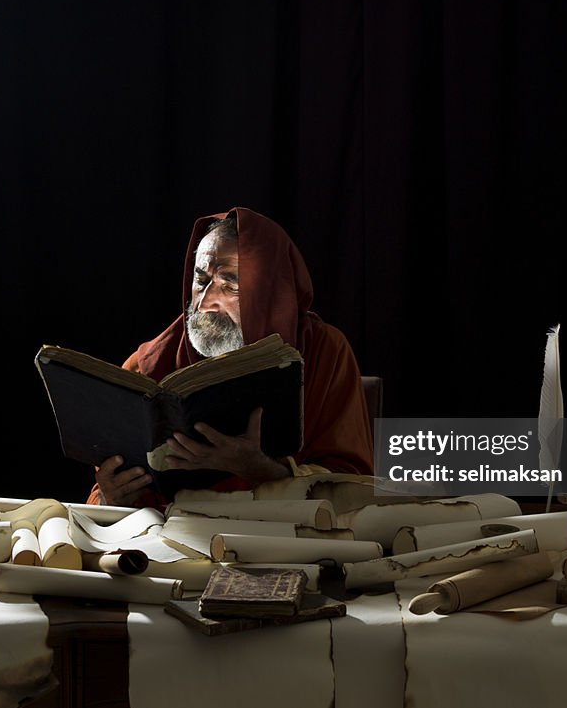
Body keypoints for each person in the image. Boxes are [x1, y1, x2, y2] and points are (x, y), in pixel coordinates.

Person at [88, 207, 373, 506]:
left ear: (269, 292)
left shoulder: (323, 351)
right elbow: (104, 498)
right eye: (200, 281)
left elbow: (354, 488)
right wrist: (110, 494)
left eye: (230, 285)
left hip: (280, 542)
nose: (206, 302)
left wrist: (258, 469)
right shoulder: (147, 366)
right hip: (170, 540)